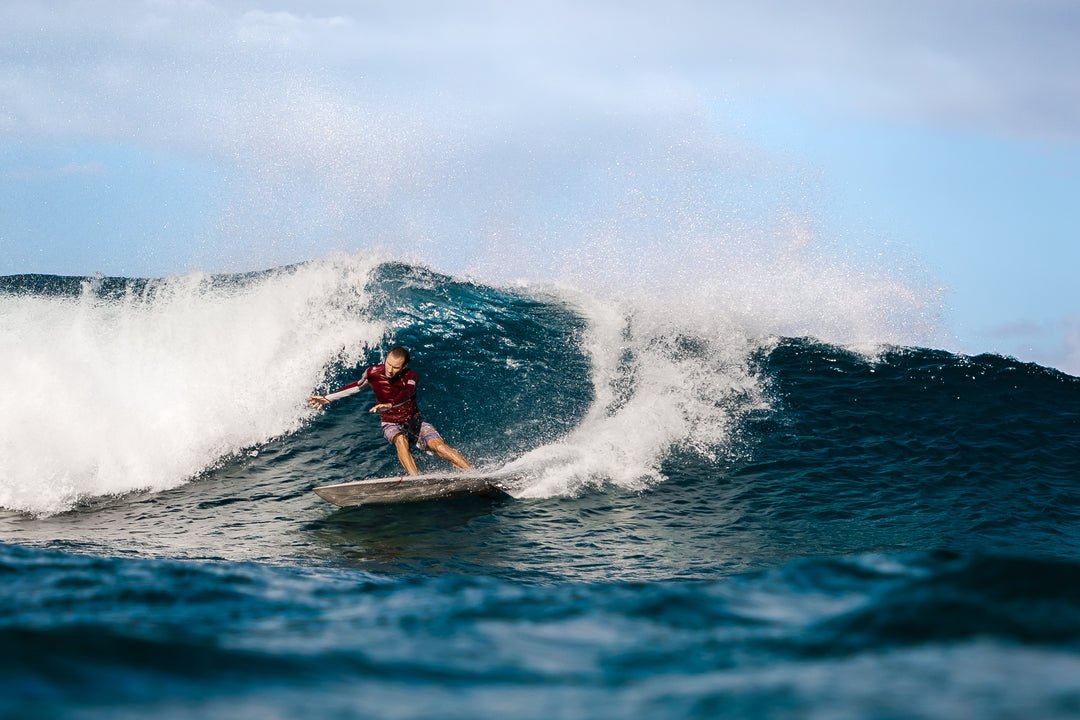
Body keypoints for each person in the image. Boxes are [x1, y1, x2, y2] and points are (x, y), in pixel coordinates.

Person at [307, 346, 473, 476]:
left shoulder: (411, 377)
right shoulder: (372, 373)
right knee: (400, 440)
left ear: (404, 366)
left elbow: (406, 394)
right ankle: (415, 480)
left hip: (414, 421)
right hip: (390, 423)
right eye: (388, 364)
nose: (390, 369)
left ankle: (473, 474)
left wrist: (391, 404)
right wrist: (328, 397)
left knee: (438, 447)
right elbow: (358, 387)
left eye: (395, 367)